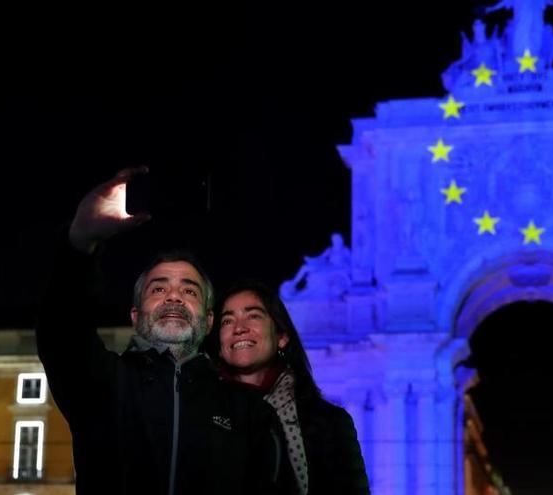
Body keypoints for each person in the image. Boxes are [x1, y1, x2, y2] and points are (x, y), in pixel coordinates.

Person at [36, 167, 282, 495]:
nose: (175, 296)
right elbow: (61, 331)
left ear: (209, 321)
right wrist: (80, 241)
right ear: (136, 316)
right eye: (158, 289)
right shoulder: (101, 384)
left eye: (190, 291)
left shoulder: (251, 414)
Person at [204, 280, 370, 495]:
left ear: (281, 337)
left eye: (253, 315)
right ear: (219, 346)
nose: (239, 328)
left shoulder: (331, 423)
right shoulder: (200, 413)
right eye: (227, 321)